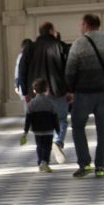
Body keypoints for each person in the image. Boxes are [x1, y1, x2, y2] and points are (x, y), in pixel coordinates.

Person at [65, 14, 104, 178]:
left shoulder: (79, 43)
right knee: (103, 130)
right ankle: (101, 166)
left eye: (81, 24)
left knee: (77, 127)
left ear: (85, 25)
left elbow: (70, 71)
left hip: (83, 93)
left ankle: (85, 164)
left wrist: (71, 89)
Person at [18, 21, 69, 164]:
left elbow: (22, 70)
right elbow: (69, 70)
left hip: (35, 93)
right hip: (57, 91)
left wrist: (25, 91)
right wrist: (70, 89)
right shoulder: (61, 46)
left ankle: (42, 157)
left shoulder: (30, 48)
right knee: (61, 120)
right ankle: (57, 142)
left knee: (40, 125)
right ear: (52, 31)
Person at [21, 78, 59, 172]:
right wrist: (57, 129)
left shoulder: (31, 103)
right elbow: (55, 117)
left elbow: (28, 118)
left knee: (39, 145)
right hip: (48, 129)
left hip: (37, 130)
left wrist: (25, 131)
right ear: (47, 89)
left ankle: (40, 161)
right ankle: (45, 162)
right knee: (47, 146)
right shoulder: (50, 103)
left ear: (34, 90)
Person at [14, 38, 32, 106]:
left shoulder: (20, 57)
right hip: (31, 85)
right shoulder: (34, 55)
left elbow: (18, 72)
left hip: (24, 85)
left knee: (27, 107)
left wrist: (16, 84)